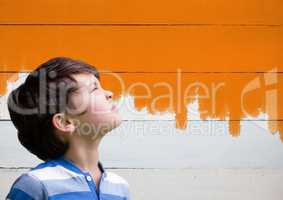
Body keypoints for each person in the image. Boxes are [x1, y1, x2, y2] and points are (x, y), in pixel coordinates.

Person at [6, 57, 130, 200]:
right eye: (94, 89)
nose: (109, 93)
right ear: (65, 122)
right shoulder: (35, 185)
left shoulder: (119, 187)